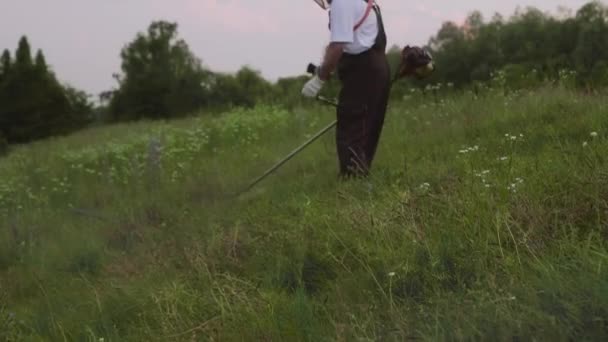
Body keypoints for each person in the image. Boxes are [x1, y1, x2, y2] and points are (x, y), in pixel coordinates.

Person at [302, 0, 390, 178]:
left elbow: (337, 46)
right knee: (365, 127)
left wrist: (320, 79)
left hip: (364, 71)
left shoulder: (342, 2)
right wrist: (323, 68)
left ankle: (352, 181)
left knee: (353, 127)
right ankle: (358, 177)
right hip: (373, 67)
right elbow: (338, 45)